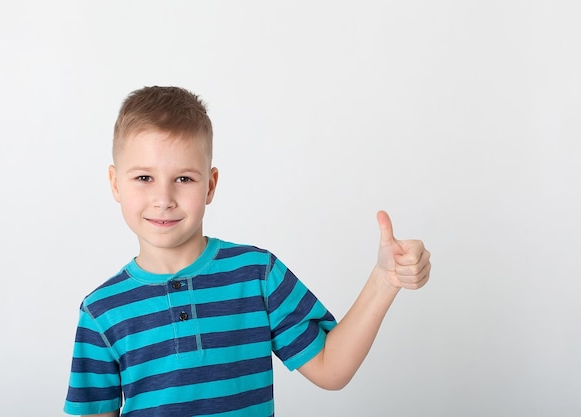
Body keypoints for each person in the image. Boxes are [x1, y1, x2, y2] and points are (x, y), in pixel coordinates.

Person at [64, 86, 431, 417]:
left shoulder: (257, 275)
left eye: (184, 179)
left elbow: (330, 368)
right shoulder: (101, 311)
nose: (163, 199)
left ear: (210, 185)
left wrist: (384, 280)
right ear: (115, 183)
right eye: (144, 178)